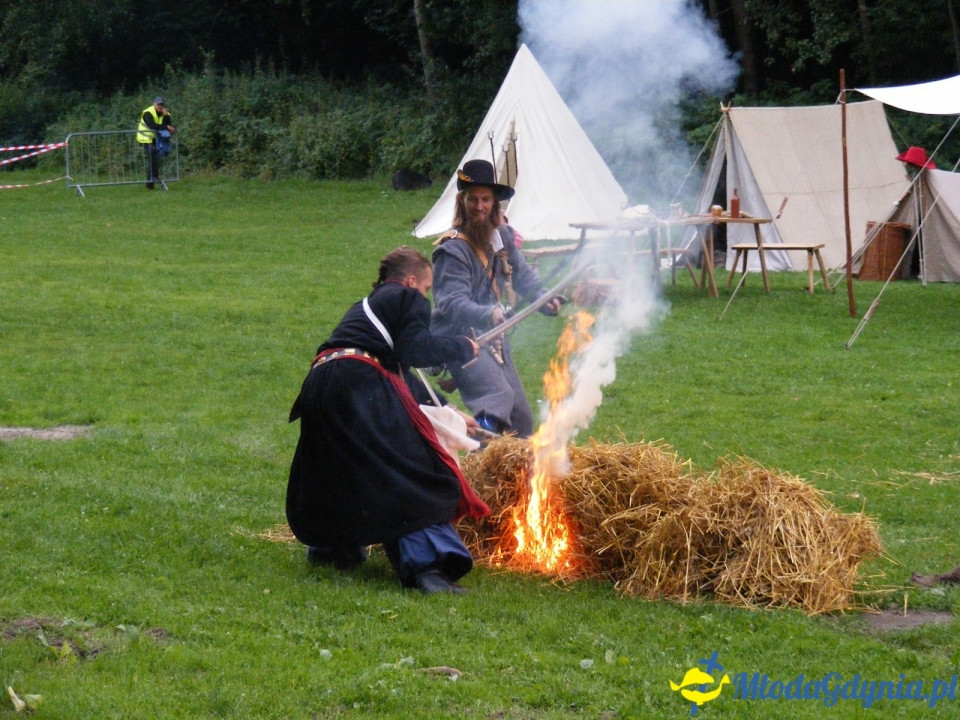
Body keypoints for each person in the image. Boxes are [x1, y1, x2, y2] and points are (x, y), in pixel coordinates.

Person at [286, 246, 489, 595]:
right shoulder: (408, 299)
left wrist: (447, 408)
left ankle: (334, 550)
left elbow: (397, 372)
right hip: (355, 381)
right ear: (412, 281)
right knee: (408, 469)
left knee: (343, 468)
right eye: (426, 288)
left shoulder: (368, 307)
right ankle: (429, 566)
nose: (424, 295)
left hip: (322, 384)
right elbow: (417, 350)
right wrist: (462, 347)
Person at [430, 159, 563, 438]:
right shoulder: (451, 251)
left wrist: (543, 298)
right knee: (496, 398)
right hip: (460, 339)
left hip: (493, 336)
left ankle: (516, 480)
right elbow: (451, 304)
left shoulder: (501, 234)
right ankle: (480, 463)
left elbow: (523, 275)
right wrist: (487, 314)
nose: (480, 207)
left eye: (486, 200)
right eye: (473, 199)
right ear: (462, 202)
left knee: (521, 420)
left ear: (495, 203)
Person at [137, 96, 176, 189]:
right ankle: (154, 176)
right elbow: (152, 126)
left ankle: (149, 184)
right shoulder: (147, 113)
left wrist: (166, 116)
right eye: (158, 104)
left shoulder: (165, 113)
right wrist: (166, 127)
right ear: (154, 104)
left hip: (155, 139)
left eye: (161, 104)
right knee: (153, 152)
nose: (160, 106)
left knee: (153, 157)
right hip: (144, 138)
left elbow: (169, 126)